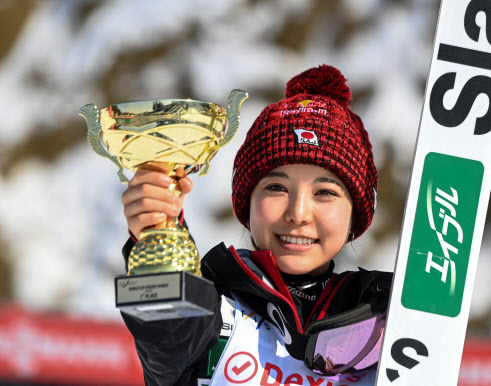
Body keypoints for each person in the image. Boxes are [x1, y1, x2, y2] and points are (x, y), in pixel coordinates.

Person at [120, 64, 393, 385]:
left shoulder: (390, 318)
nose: (298, 213)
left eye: (324, 192)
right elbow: (165, 327)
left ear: (355, 216)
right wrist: (155, 230)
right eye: (277, 188)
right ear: (246, 204)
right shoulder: (211, 312)